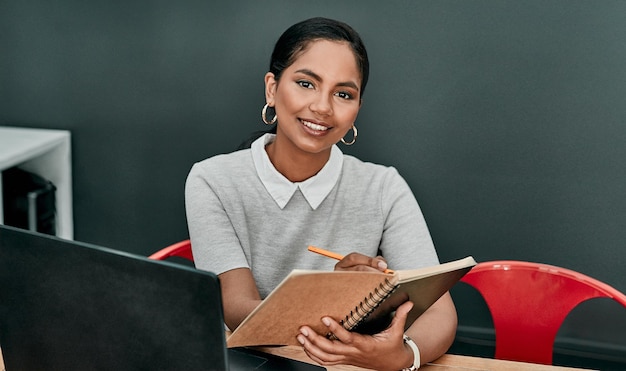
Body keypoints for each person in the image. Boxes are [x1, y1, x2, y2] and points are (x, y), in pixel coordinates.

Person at [185, 17, 457, 370]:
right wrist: (338, 298)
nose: (323, 107)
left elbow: (441, 314)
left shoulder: (384, 187)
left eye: (343, 94)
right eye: (306, 83)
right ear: (272, 88)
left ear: (357, 108)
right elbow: (238, 309)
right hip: (246, 363)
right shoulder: (212, 179)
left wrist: (404, 355)